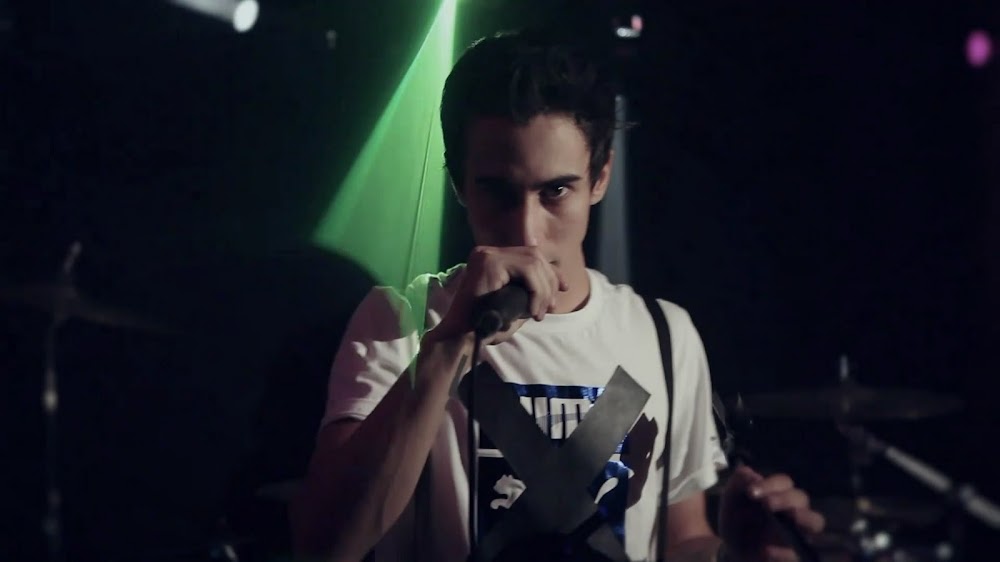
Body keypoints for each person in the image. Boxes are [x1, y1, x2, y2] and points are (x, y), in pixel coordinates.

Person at [290, 28, 825, 562]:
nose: (526, 231)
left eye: (556, 191)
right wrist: (448, 345)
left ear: (601, 177)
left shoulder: (665, 334)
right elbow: (323, 546)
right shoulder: (402, 321)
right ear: (458, 182)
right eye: (498, 191)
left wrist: (738, 554)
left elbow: (681, 540)